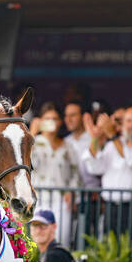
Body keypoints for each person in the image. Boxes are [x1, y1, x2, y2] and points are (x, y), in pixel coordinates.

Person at [82, 107, 132, 239]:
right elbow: (95, 168)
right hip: (111, 207)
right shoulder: (112, 145)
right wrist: (95, 139)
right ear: (123, 124)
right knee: (111, 251)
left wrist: (113, 136)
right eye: (129, 121)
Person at [31, 102, 79, 247]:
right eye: (47, 119)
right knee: (37, 240)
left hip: (61, 199)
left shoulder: (67, 145)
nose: (51, 122)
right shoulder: (34, 142)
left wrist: (72, 192)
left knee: (61, 238)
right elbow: (29, 164)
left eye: (55, 119)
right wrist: (32, 133)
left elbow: (75, 172)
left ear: (60, 122)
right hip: (39, 197)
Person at [63, 101, 100, 244]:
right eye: (66, 116)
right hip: (68, 199)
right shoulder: (65, 141)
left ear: (84, 117)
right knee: (68, 238)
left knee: (87, 240)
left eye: (73, 115)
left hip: (91, 197)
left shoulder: (94, 138)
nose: (68, 119)